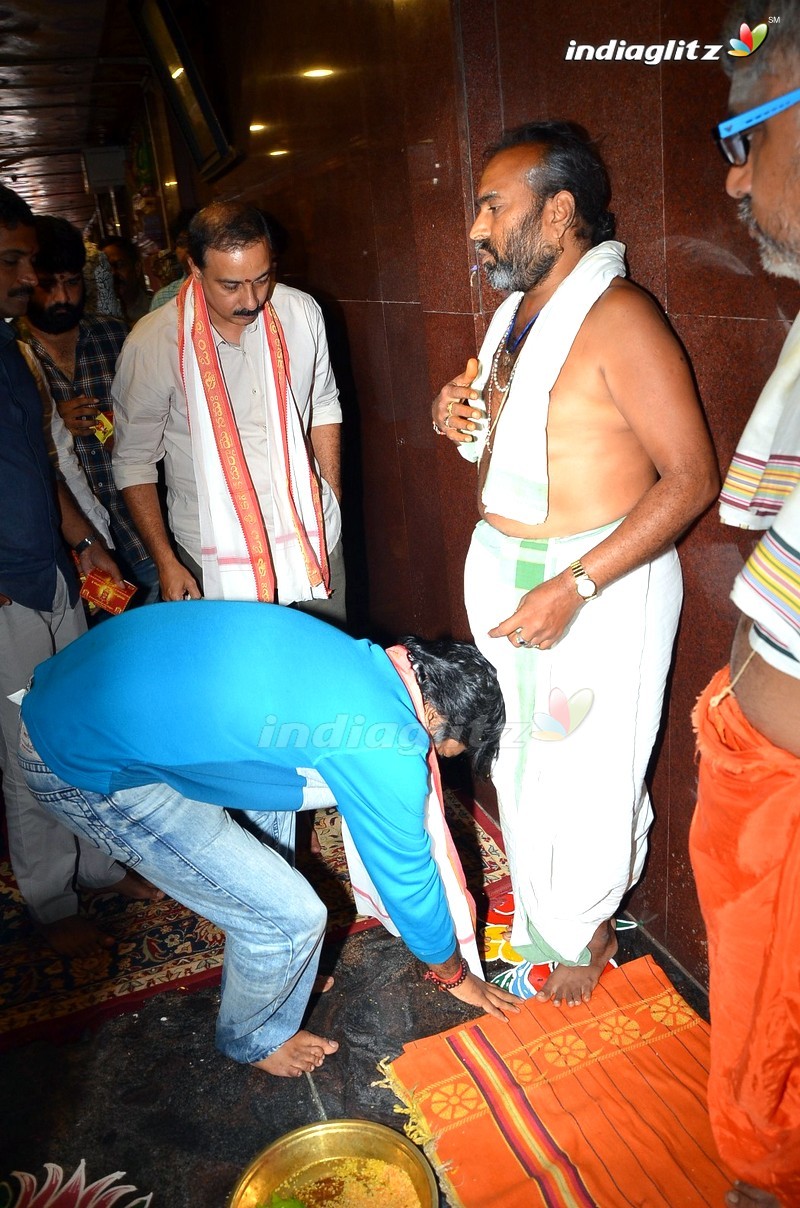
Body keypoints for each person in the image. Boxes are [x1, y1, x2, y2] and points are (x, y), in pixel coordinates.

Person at [431, 121, 719, 1008]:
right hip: (509, 570)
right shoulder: (516, 316)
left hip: (598, 588)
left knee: (592, 766)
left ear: (558, 213)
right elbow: (523, 437)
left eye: (492, 206)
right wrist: (453, 410)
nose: (475, 229)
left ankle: (590, 924)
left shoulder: (620, 317)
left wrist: (579, 582)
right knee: (525, 755)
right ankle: (551, 913)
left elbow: (693, 477)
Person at [17, 603, 519, 1074]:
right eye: (444, 752)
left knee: (299, 808)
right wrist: (454, 973)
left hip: (76, 685)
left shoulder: (367, 661)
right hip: (77, 759)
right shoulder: (386, 744)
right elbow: (408, 880)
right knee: (291, 918)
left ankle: (282, 977)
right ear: (437, 720)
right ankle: (254, 1036)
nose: (435, 762)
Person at [690, 5, 800, 1205]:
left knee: (770, 1075)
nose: (728, 179)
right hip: (759, 764)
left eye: (743, 132)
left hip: (785, 799)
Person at [0, 185, 159, 958]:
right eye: (14, 261)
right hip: (9, 588)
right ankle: (51, 900)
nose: (31, 281)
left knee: (85, 725)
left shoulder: (10, 350)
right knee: (27, 743)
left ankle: (99, 869)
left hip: (57, 570)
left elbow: (41, 469)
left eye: (34, 263)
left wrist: (87, 543)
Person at [112, 201, 346, 621]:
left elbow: (324, 402)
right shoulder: (153, 344)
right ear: (194, 269)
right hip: (212, 552)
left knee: (328, 670)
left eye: (262, 278)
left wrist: (332, 494)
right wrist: (166, 560)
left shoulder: (300, 313)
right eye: (231, 285)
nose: (252, 300)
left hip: (312, 535)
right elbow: (134, 463)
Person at [17, 215, 160, 609]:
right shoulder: (15, 353)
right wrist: (50, 422)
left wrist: (132, 433)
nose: (63, 298)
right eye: (49, 285)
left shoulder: (117, 337)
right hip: (73, 550)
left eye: (73, 282)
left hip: (141, 533)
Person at [101, 235, 152, 327]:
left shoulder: (154, 307)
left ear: (137, 269)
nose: (113, 273)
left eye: (119, 265)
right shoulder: (99, 318)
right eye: (106, 268)